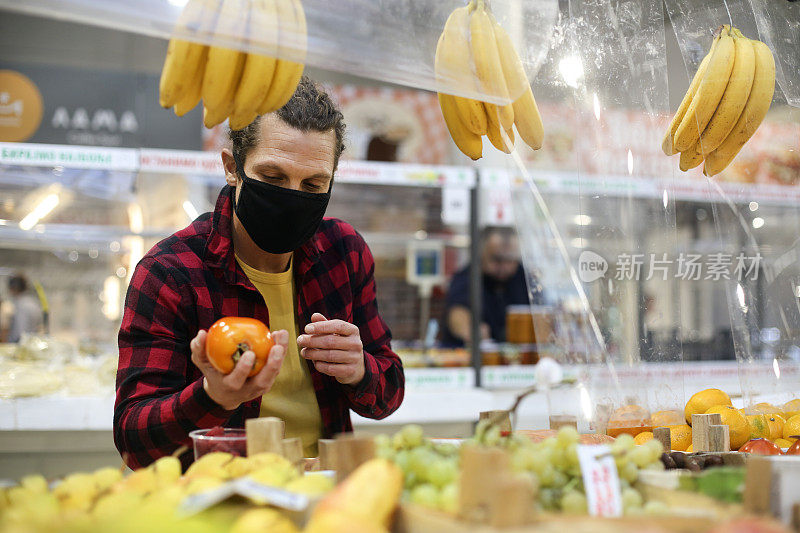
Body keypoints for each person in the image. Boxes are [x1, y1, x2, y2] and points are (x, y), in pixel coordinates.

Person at [115, 77, 404, 469]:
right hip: (222, 502)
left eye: (314, 183)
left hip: (325, 494)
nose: (293, 196)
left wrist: (360, 370)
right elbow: (134, 440)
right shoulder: (170, 272)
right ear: (233, 168)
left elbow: (388, 394)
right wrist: (212, 397)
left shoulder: (345, 252)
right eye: (272, 178)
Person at [441, 226, 542, 346]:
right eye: (497, 259)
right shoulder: (468, 278)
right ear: (481, 254)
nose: (504, 267)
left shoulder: (524, 279)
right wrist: (470, 330)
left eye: (510, 260)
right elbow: (457, 313)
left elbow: (541, 311)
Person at [0, 274, 43, 343]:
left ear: (13, 288)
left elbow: (20, 333)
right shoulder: (33, 303)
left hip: (22, 345)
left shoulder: (21, 306)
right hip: (32, 343)